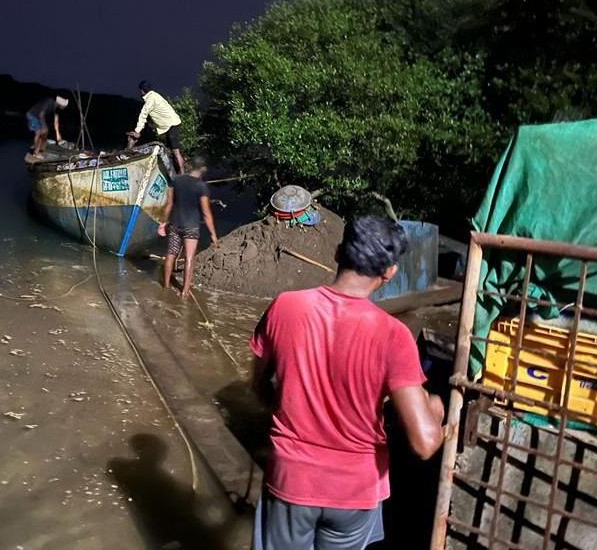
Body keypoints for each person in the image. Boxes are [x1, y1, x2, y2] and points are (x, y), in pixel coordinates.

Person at [249, 216, 445, 550]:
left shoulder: (285, 306)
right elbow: (425, 443)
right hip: (355, 491)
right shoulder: (393, 336)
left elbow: (258, 386)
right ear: (389, 273)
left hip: (290, 478)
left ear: (338, 253)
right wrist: (437, 413)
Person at [158, 156, 218, 298]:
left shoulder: (177, 180)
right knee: (189, 258)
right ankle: (184, 293)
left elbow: (169, 204)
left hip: (175, 224)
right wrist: (213, 234)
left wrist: (163, 223)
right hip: (191, 226)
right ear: (203, 169)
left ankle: (165, 286)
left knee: (171, 254)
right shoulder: (201, 186)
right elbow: (206, 212)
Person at [128, 80, 185, 173]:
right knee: (172, 151)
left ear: (142, 90)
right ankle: (178, 173)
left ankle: (183, 175)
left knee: (176, 152)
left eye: (140, 91)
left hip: (171, 124)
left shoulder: (150, 99)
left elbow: (143, 114)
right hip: (170, 124)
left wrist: (137, 131)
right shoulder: (155, 95)